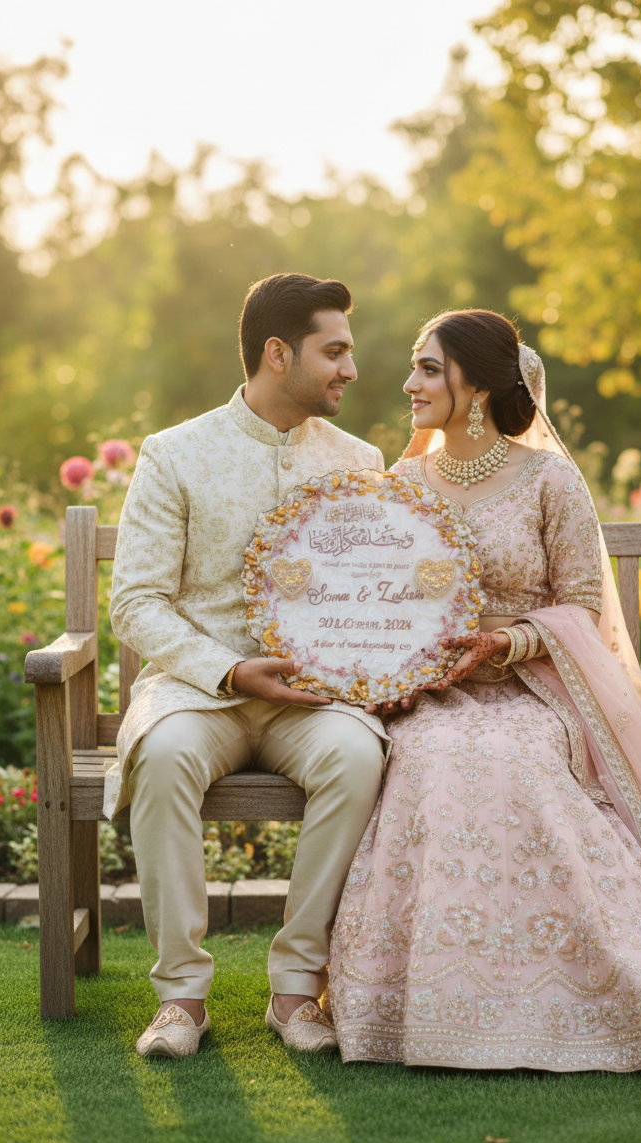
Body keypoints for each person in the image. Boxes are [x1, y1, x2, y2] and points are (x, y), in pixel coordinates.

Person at [328, 308, 641, 1071]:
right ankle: (425, 1000)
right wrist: (392, 676)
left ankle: (598, 986)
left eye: (427, 368)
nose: (408, 384)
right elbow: (379, 602)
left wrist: (505, 642)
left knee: (517, 759)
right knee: (432, 757)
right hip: (434, 696)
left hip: (535, 688)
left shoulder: (549, 480)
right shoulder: (403, 481)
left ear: (476, 385)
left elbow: (580, 604)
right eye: (414, 367)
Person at [107, 273, 388, 1058]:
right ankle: (181, 1001)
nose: (350, 370)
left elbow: (380, 591)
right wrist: (230, 671)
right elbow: (135, 604)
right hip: (200, 692)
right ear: (277, 353)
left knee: (359, 756)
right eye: (334, 352)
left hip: (314, 699)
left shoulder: (360, 459)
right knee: (160, 758)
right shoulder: (175, 455)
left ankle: (298, 990)